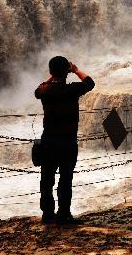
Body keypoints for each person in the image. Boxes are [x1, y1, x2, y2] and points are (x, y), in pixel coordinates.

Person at [34, 55, 95, 224]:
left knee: (46, 180)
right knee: (65, 180)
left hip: (48, 142)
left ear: (51, 72)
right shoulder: (72, 89)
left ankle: (47, 215)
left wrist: (53, 75)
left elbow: (38, 89)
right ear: (66, 72)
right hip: (67, 142)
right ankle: (64, 215)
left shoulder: (44, 91)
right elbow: (90, 83)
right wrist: (75, 70)